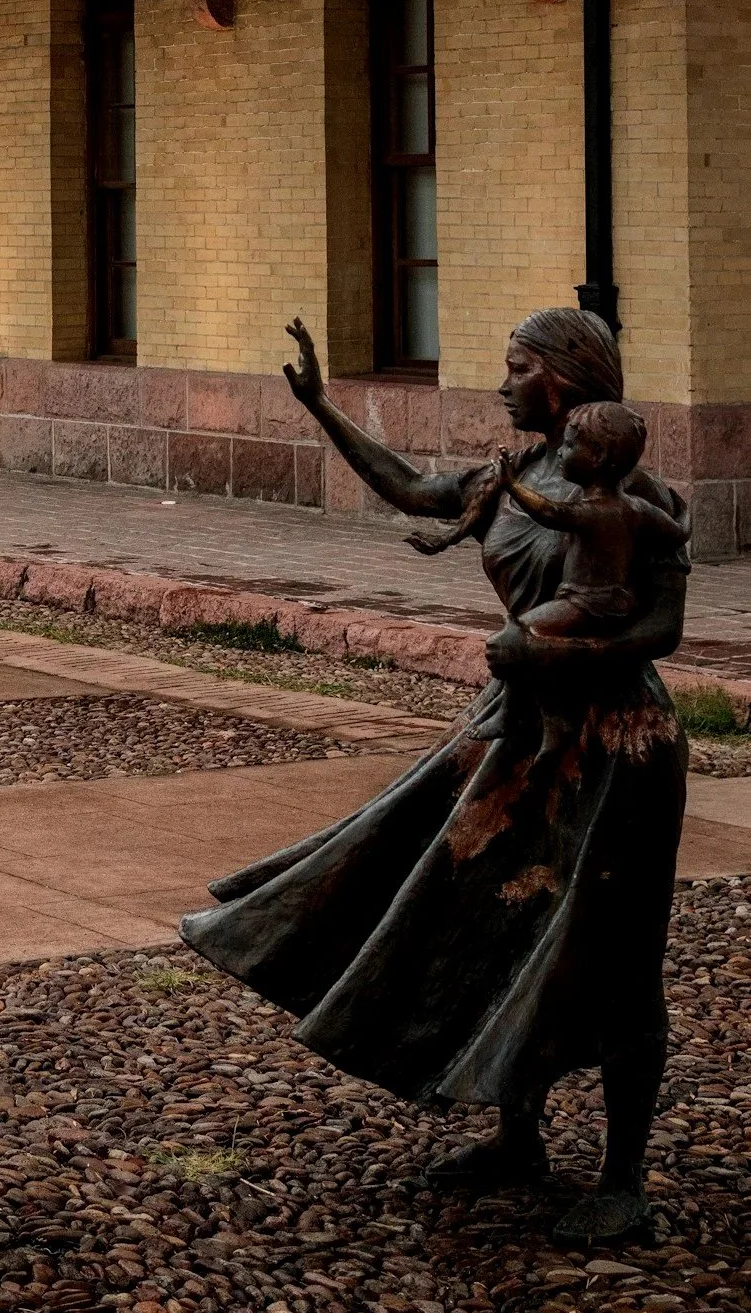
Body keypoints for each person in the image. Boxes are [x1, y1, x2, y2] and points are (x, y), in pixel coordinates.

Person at [180, 308, 690, 1248]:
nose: (501, 384)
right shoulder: (508, 478)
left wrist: (553, 654)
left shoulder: (631, 492)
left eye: (516, 367)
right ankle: (516, 1134)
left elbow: (661, 629)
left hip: (616, 744)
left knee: (615, 954)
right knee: (490, 921)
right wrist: (321, 406)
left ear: (563, 379)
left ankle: (623, 1178)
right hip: (517, 728)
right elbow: (412, 487)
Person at [498, 401, 676, 639]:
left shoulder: (591, 511)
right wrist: (682, 512)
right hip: (614, 601)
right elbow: (676, 531)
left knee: (518, 632)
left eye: (570, 445)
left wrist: (512, 486)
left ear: (598, 456)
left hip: (584, 604)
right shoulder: (637, 508)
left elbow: (548, 511)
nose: (560, 451)